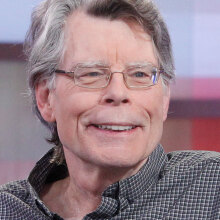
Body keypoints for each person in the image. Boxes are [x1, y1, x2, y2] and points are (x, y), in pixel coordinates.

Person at [0, 0, 219, 219]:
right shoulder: (7, 208)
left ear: (164, 98)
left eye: (140, 74)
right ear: (46, 97)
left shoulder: (213, 190)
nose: (118, 93)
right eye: (92, 74)